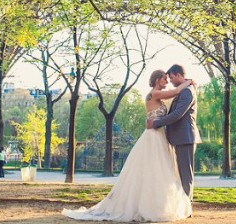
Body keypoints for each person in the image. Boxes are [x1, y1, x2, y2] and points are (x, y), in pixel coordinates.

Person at [63, 69, 194, 222]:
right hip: (153, 136)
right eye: (165, 79)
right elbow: (177, 90)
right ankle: (150, 206)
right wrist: (189, 82)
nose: (167, 81)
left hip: (160, 135)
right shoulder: (154, 93)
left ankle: (157, 203)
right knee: (154, 170)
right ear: (158, 79)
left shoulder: (158, 95)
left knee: (159, 171)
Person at [148, 64, 202, 200]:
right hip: (180, 137)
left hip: (185, 137)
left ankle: (186, 206)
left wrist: (155, 123)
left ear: (178, 75)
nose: (170, 81)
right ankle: (183, 204)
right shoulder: (184, 90)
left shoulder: (187, 91)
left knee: (185, 173)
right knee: (181, 173)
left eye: (171, 77)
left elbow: (177, 114)